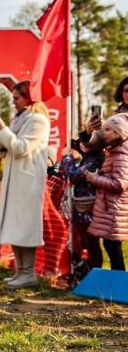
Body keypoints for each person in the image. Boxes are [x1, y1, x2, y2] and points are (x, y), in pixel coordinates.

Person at [0, 80, 50, 289]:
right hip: (15, 181)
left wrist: (4, 132)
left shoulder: (38, 121)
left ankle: (29, 272)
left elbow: (21, 147)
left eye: (17, 98)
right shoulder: (20, 119)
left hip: (28, 182)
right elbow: (5, 150)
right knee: (15, 226)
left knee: (25, 227)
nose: (14, 102)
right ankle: (20, 270)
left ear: (28, 98)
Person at [85, 114, 128, 271]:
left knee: (112, 246)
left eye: (108, 130)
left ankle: (120, 284)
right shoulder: (116, 152)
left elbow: (120, 183)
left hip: (115, 208)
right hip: (111, 207)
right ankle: (117, 283)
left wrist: (95, 178)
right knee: (111, 246)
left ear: (119, 133)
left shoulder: (122, 155)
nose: (104, 133)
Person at [60, 140, 104, 278]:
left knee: (92, 244)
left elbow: (73, 175)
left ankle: (94, 274)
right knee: (85, 242)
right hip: (83, 209)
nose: (81, 147)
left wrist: (67, 157)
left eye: (85, 144)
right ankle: (86, 271)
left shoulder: (93, 162)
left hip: (89, 210)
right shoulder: (89, 160)